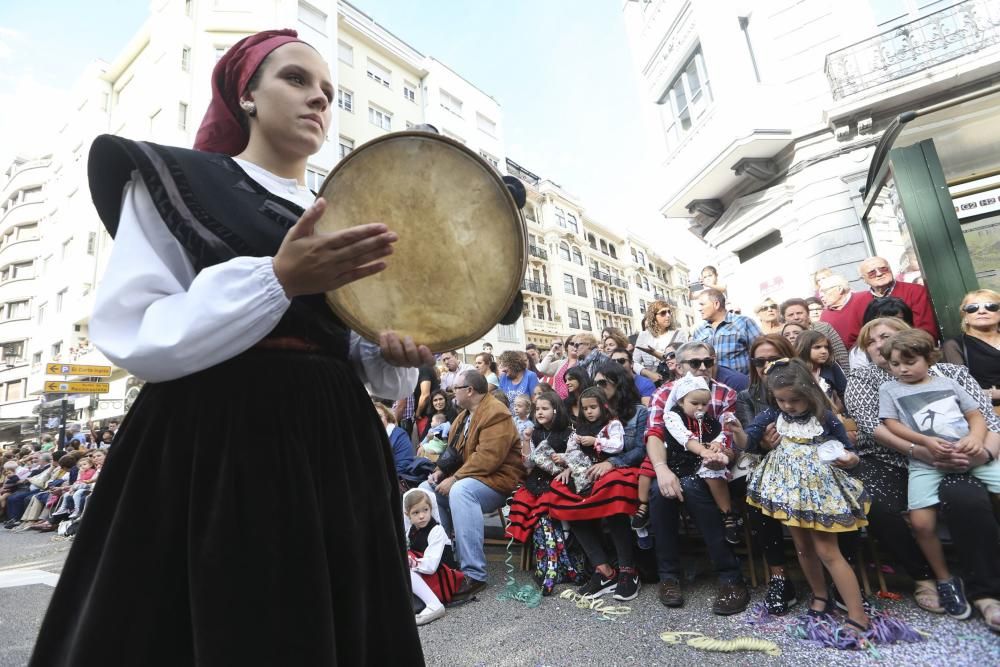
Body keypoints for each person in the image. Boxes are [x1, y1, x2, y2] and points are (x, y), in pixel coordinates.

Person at [30, 31, 428, 665]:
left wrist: (392, 353)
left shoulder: (342, 214)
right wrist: (277, 278)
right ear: (245, 94)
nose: (317, 99)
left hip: (337, 442)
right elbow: (134, 326)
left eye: (327, 91)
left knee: (340, 620)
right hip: (217, 441)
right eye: (296, 80)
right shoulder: (178, 181)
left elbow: (353, 349)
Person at [845, 317, 1000, 631]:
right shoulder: (866, 379)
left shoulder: (951, 373)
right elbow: (876, 427)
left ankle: (985, 590)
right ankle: (925, 577)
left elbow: (985, 418)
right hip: (892, 459)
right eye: (869, 343)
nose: (876, 346)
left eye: (883, 337)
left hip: (959, 454)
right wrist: (921, 450)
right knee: (876, 504)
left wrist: (982, 452)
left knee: (966, 498)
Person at [729, 359, 871, 640]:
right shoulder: (773, 413)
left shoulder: (825, 417)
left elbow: (849, 449)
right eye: (781, 399)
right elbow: (749, 441)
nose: (788, 406)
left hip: (819, 489)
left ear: (809, 392)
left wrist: (849, 458)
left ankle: (857, 614)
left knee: (828, 550)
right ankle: (820, 595)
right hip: (787, 489)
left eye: (794, 399)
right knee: (802, 546)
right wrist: (738, 432)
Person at [422, 370, 525, 600]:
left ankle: (474, 574)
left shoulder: (496, 413)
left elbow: (488, 458)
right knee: (425, 489)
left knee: (460, 492)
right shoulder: (463, 415)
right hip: (473, 477)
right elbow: (454, 451)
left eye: (455, 389)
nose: (451, 393)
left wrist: (455, 478)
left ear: (469, 390)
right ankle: (443, 560)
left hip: (498, 481)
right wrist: (440, 471)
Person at [733, 334, 798, 615]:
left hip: (808, 459)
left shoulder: (806, 387)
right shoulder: (747, 396)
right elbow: (752, 437)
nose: (766, 366)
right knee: (754, 495)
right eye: (760, 361)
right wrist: (763, 442)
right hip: (766, 460)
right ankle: (779, 576)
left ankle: (834, 574)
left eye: (774, 359)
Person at [636, 374, 739, 543]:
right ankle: (643, 505)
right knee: (648, 467)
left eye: (704, 404)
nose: (700, 408)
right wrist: (703, 451)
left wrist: (716, 445)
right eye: (694, 403)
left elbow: (719, 433)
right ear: (681, 402)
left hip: (697, 458)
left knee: (714, 471)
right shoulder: (672, 416)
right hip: (674, 456)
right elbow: (685, 438)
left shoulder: (708, 421)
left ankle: (727, 514)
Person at [505, 391, 583, 595]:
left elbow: (577, 458)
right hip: (535, 483)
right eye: (537, 409)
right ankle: (553, 565)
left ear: (556, 410)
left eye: (544, 408)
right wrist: (526, 439)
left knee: (548, 515)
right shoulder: (536, 432)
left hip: (557, 483)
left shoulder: (569, 433)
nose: (539, 412)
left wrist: (567, 467)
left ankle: (555, 567)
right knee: (540, 519)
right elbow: (528, 463)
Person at [403, 488, 464, 626]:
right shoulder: (411, 531)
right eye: (416, 512)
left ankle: (434, 604)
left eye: (425, 510)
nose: (421, 516)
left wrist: (410, 562)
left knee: (405, 565)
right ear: (407, 515)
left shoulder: (436, 530)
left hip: (443, 575)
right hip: (424, 572)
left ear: (431, 509)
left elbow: (431, 566)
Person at [553, 387, 623, 495]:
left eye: (593, 407)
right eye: (585, 409)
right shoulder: (582, 426)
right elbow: (572, 449)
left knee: (606, 485)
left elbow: (618, 445)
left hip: (603, 466)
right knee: (558, 484)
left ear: (603, 406)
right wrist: (574, 443)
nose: (589, 412)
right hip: (582, 468)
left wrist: (596, 441)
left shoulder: (612, 424)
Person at [856, 257, 939, 342]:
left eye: (884, 269)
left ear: (891, 270)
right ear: (864, 279)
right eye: (872, 273)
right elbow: (862, 337)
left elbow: (926, 331)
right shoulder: (860, 302)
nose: (879, 274)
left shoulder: (915, 291)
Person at [942, 289, 1000, 406]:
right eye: (972, 308)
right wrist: (994, 394)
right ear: (965, 316)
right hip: (988, 412)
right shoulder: (954, 346)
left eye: (990, 306)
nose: (982, 311)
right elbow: (961, 389)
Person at [691, 289, 761, 376]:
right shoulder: (699, 331)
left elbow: (761, 354)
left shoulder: (744, 323)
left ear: (716, 304)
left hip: (742, 386)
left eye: (702, 304)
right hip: (711, 387)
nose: (699, 309)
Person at [780, 298, 849, 372]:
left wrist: (847, 378)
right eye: (791, 315)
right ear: (784, 318)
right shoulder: (782, 336)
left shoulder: (824, 328)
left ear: (808, 313)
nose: (796, 317)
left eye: (799, 313)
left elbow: (841, 356)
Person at [633, 300, 688, 384]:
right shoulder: (643, 335)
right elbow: (634, 362)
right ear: (653, 317)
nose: (668, 315)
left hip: (674, 381)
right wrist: (648, 373)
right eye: (663, 313)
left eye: (669, 312)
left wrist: (655, 353)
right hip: (651, 383)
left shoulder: (679, 334)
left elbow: (682, 359)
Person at [795, 329, 847, 408]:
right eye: (817, 347)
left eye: (826, 347)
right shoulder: (792, 369)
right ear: (804, 348)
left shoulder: (831, 366)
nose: (824, 351)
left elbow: (845, 393)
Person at [375, 402, 416, 477]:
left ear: (387, 417)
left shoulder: (399, 435)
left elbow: (404, 464)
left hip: (393, 479)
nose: (376, 420)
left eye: (379, 416)